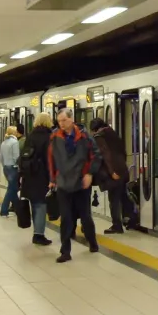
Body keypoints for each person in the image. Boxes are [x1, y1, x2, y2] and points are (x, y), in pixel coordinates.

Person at [48, 107, 101, 263]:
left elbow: (96, 156)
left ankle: (92, 242)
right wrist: (52, 179)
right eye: (59, 121)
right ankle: (65, 251)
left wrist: (90, 173)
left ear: (71, 120)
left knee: (85, 216)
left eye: (64, 120)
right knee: (65, 218)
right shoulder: (54, 138)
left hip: (81, 182)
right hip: (63, 183)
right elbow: (50, 159)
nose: (61, 124)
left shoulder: (84, 137)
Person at [90, 118, 130, 234]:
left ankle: (117, 225)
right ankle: (129, 219)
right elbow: (123, 151)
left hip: (113, 172)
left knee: (114, 199)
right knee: (122, 196)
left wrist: (112, 171)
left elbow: (105, 155)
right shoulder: (113, 133)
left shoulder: (99, 137)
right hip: (122, 168)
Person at [19, 113, 53, 246]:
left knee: (34, 204)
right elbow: (49, 158)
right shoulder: (49, 137)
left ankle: (37, 231)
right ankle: (38, 235)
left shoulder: (30, 136)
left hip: (29, 176)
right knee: (41, 205)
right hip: (41, 176)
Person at [0, 126, 20, 219]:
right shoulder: (15, 143)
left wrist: (5, 166)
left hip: (6, 168)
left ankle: (19, 209)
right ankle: (4, 210)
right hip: (13, 168)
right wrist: (19, 167)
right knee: (11, 189)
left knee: (13, 189)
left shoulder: (4, 143)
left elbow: (0, 157)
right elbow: (16, 157)